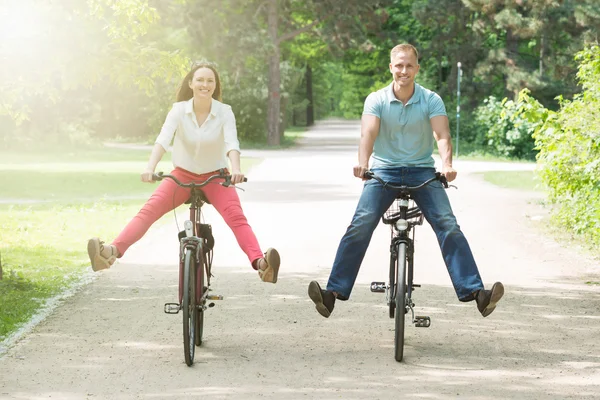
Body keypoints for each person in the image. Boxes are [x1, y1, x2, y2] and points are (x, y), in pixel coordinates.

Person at [308, 44, 503, 318]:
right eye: (399, 65)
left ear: (417, 69)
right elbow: (368, 134)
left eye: (409, 66)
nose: (404, 71)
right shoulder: (376, 99)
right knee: (360, 224)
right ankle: (332, 293)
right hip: (383, 171)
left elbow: (442, 135)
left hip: (422, 171)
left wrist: (447, 165)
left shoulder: (431, 99)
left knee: (447, 224)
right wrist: (363, 163)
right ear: (391, 68)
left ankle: (476, 292)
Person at [87, 61, 280, 283]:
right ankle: (110, 253)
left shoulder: (224, 112)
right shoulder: (179, 110)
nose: (204, 84)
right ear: (191, 83)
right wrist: (149, 167)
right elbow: (163, 139)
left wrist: (236, 169)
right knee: (148, 211)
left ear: (215, 85)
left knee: (236, 217)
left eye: (210, 81)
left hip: (216, 176)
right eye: (200, 80)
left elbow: (231, 143)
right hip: (182, 175)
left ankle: (261, 264)